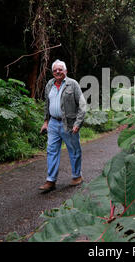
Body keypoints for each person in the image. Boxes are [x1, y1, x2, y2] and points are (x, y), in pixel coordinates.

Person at [39, 59, 87, 192]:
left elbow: (82, 106)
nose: (57, 72)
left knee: (74, 151)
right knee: (51, 151)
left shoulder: (73, 84)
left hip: (69, 124)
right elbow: (46, 105)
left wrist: (78, 123)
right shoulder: (49, 84)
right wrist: (45, 121)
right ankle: (51, 180)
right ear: (52, 72)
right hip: (53, 123)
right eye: (55, 70)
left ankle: (77, 176)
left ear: (65, 71)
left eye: (60, 69)